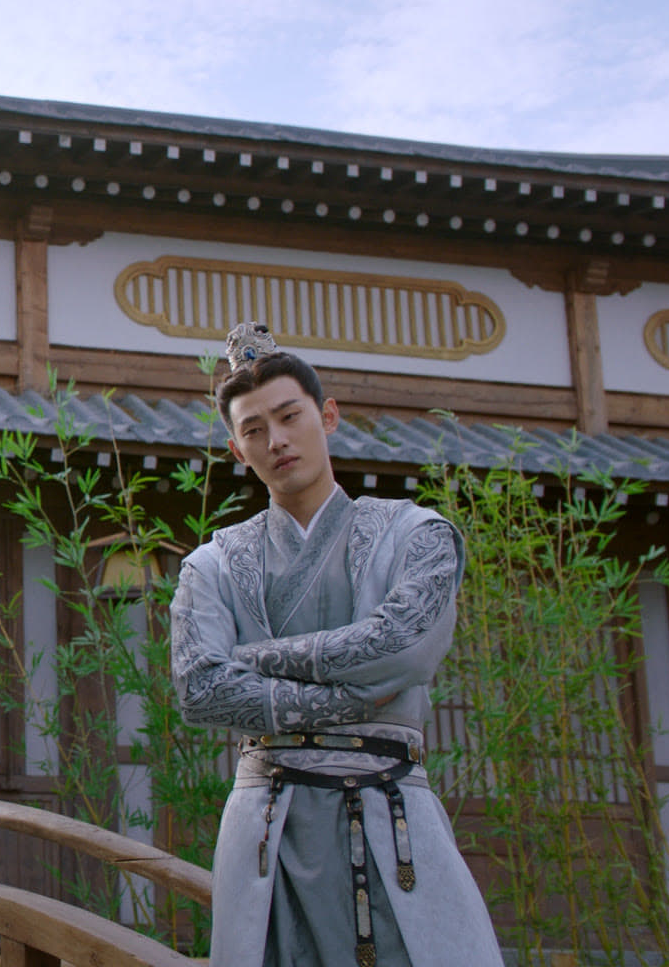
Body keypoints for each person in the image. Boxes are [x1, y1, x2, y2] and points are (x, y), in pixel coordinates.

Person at [170, 322, 501, 967]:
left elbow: (405, 648)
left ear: (327, 416)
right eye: (254, 429)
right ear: (237, 450)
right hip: (267, 820)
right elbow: (201, 691)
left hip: (391, 806)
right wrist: (355, 697)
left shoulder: (416, 534)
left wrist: (254, 658)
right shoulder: (211, 564)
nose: (276, 440)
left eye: (289, 416)